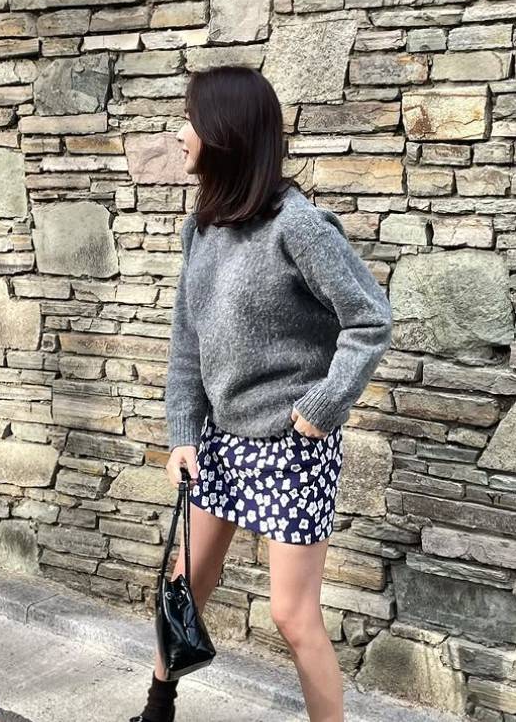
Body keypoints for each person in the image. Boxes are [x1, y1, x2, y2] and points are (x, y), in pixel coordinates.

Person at [131, 66, 393, 722]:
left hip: (292, 447)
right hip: (220, 443)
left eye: (191, 120)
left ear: (226, 134)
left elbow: (369, 320)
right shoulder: (202, 229)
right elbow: (187, 344)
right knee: (185, 584)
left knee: (292, 616)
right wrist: (183, 435)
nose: (180, 133)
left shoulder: (297, 225)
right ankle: (157, 710)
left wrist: (325, 405)